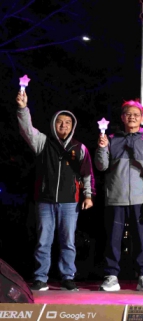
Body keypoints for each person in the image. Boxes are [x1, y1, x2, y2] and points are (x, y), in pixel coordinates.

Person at [16, 90, 94, 292]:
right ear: (54, 124)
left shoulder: (80, 148)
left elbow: (87, 174)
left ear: (73, 126)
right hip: (45, 201)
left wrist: (88, 195)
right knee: (43, 241)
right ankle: (40, 278)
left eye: (68, 122)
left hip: (70, 202)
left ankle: (68, 277)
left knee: (68, 242)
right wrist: (23, 108)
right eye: (60, 122)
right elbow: (27, 129)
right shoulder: (43, 142)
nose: (63, 125)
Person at [95, 100, 143, 292]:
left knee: (141, 239)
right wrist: (102, 148)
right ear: (122, 117)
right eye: (128, 114)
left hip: (140, 198)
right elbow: (101, 166)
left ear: (142, 118)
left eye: (136, 115)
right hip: (115, 197)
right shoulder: (111, 139)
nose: (132, 117)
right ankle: (111, 276)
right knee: (113, 239)